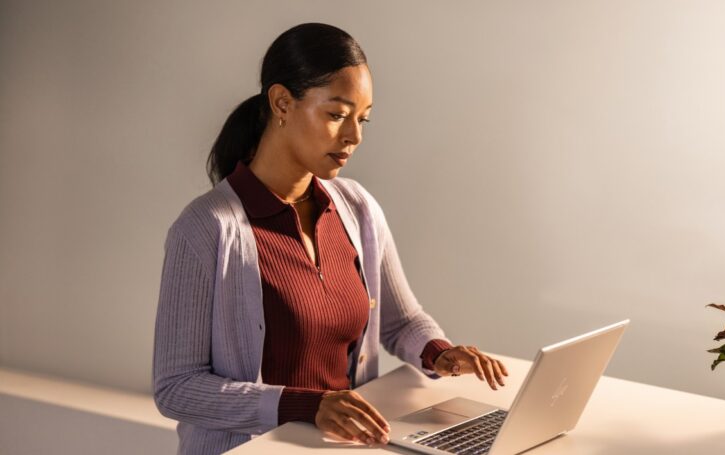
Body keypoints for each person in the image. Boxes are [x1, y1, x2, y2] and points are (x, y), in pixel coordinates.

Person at [152, 22, 508, 455]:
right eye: (337, 115)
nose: (354, 137)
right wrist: (306, 405)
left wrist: (439, 354)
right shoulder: (205, 229)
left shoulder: (356, 208)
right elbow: (176, 388)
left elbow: (401, 322)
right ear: (282, 102)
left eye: (362, 119)